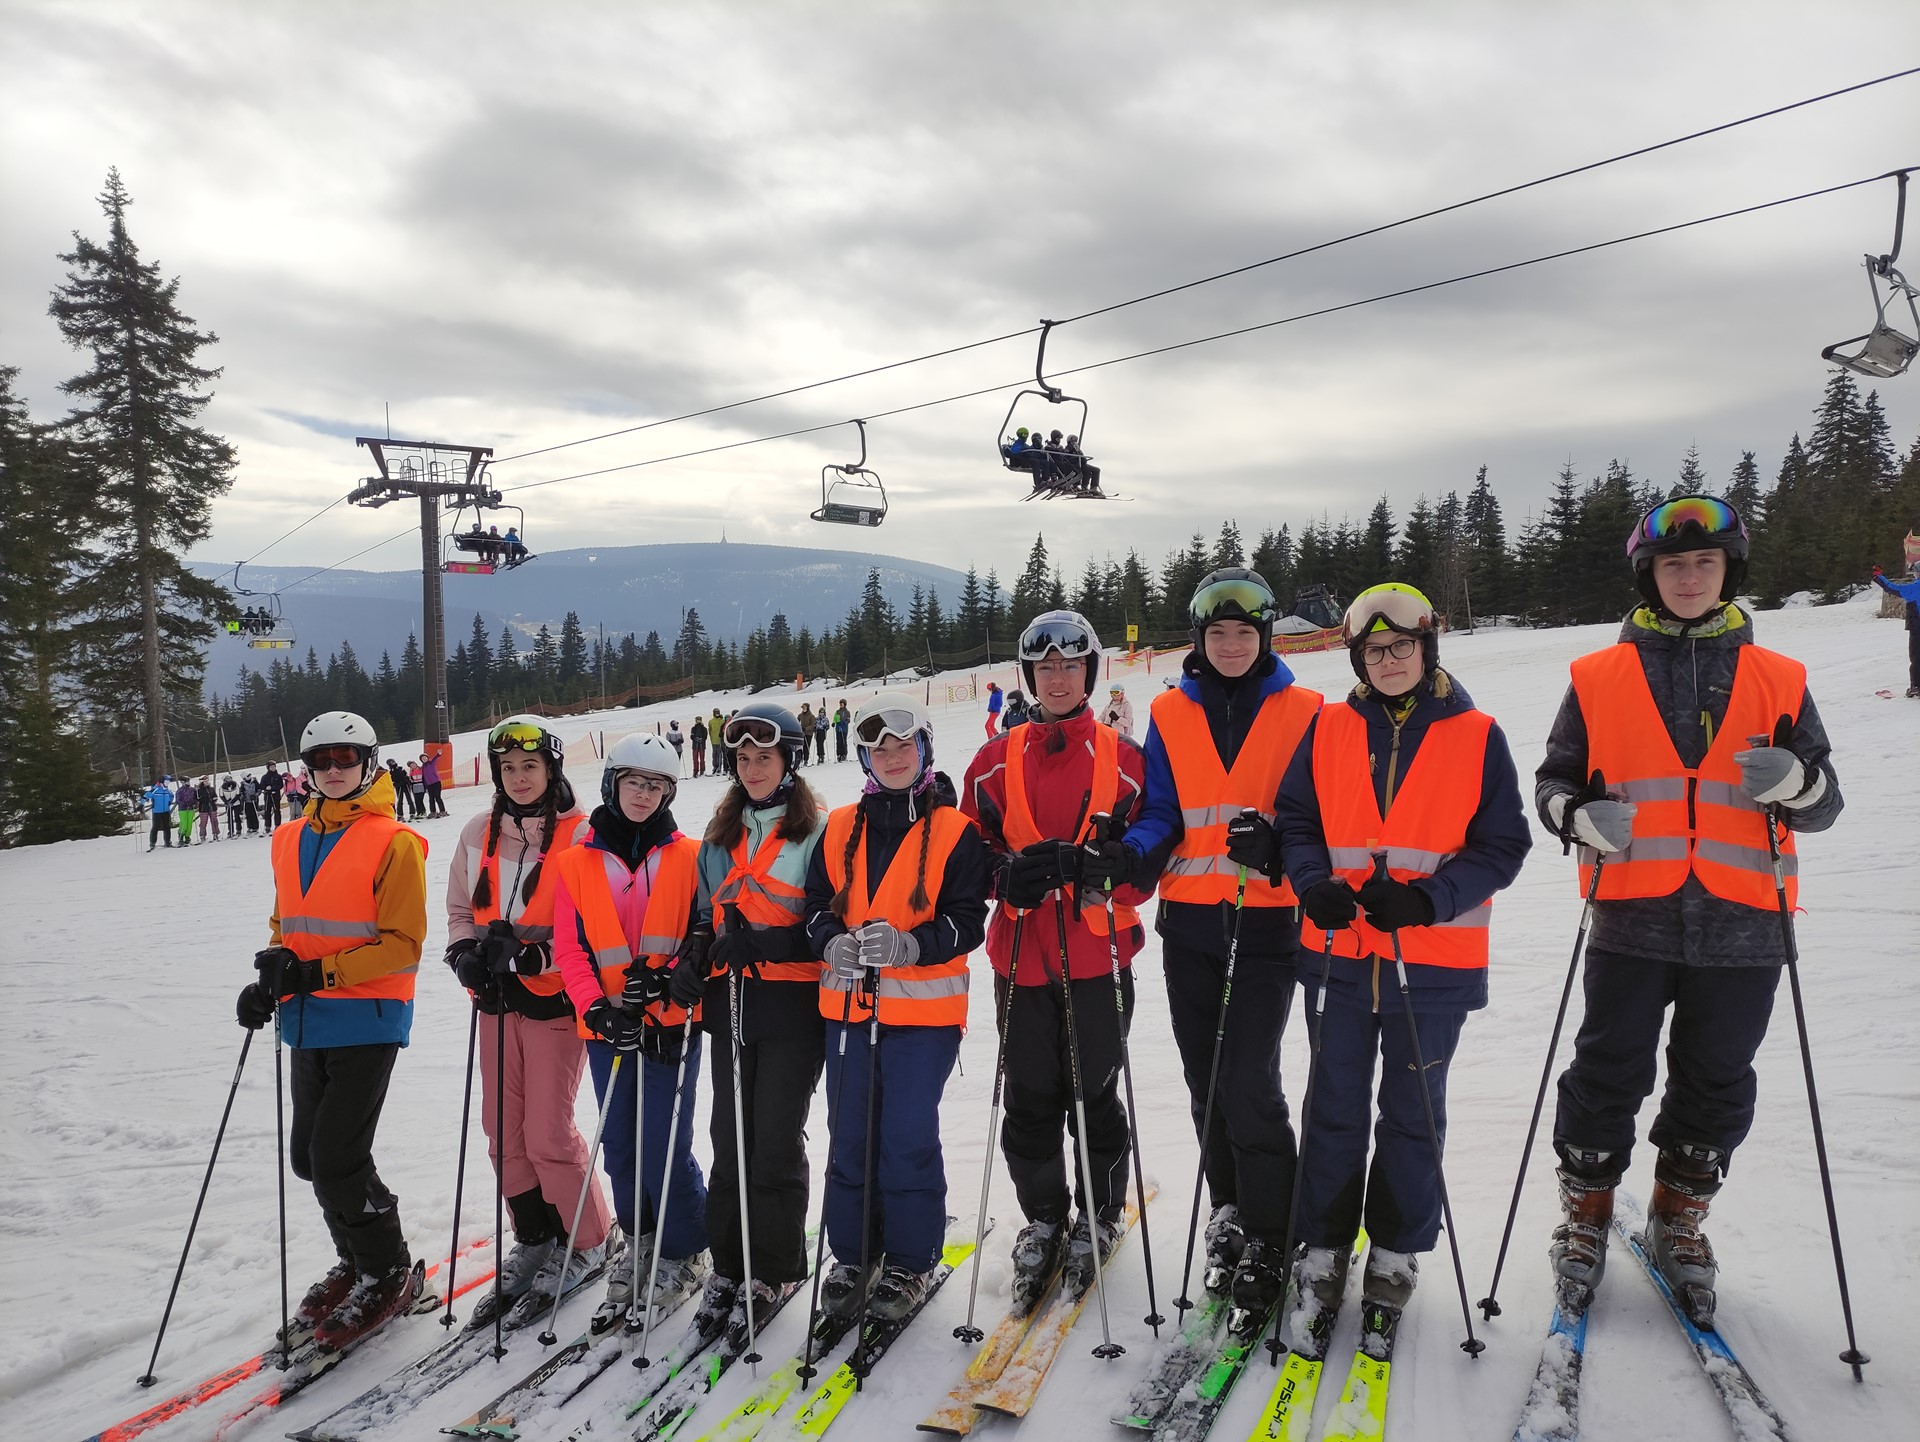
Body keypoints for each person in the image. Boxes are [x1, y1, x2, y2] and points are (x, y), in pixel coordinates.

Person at [1538, 495, 1843, 1325]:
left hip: (1747, 919)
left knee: (1716, 1079)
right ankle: (1587, 1214)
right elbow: (1555, 782)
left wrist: (1798, 785)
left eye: (1704, 563)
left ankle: (1679, 1218)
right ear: (1650, 572)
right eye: (1673, 565)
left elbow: (1824, 805)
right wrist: (1577, 818)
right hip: (1632, 913)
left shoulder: (1781, 678)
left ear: (1727, 572)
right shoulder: (1597, 677)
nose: (1688, 576)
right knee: (1608, 1070)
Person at [1268, 583, 1530, 1337]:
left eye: (1402, 648)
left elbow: (1503, 844)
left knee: (1414, 1114)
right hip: (1339, 957)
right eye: (1374, 650)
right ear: (1356, 655)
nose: (1388, 662)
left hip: (1433, 964)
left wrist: (1431, 899)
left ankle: (1395, 1248)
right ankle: (1323, 1246)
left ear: (1427, 648)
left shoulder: (1478, 734)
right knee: (1335, 1109)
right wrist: (1311, 882)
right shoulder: (1326, 729)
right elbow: (1296, 822)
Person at [1082, 567, 1321, 1316]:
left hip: (1267, 919)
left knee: (1250, 1077)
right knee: (1206, 1077)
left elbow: (1321, 812)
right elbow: (1161, 811)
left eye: (1243, 633)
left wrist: (1280, 843)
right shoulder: (1169, 711)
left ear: (1265, 636)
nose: (1229, 645)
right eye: (1216, 634)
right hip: (1189, 922)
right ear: (1197, 639)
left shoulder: (1307, 709)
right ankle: (1229, 1208)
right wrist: (1133, 852)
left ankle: (1271, 1230)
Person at [961, 611, 1157, 1309]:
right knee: (1030, 1095)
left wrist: (1103, 869)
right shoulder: (991, 760)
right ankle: (1044, 1215)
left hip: (1096, 953)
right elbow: (969, 851)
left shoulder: (1126, 759)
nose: (1057, 678)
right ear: (1029, 676)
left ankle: (1099, 1213)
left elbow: (1147, 865)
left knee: (1094, 1090)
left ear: (1090, 674)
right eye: (1045, 668)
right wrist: (998, 877)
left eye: (1071, 667)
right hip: (1021, 956)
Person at [233, 711, 428, 1350]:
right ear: (307, 769)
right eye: (322, 761)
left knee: (337, 1158)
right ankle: (356, 1259)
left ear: (370, 762)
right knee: (308, 1158)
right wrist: (270, 979)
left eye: (346, 759)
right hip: (308, 1019)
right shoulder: (287, 838)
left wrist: (315, 972)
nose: (334, 770)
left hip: (367, 1018)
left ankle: (387, 1267)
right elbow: (285, 924)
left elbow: (403, 945)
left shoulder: (394, 841)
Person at [804, 695, 990, 1320]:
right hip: (850, 1011)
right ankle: (854, 1251)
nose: (891, 757)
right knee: (850, 1134)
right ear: (864, 756)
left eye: (903, 746)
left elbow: (970, 921)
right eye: (879, 748)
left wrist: (914, 945)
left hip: (923, 1018)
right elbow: (815, 908)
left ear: (924, 751)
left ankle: (909, 1260)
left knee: (906, 1136)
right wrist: (830, 941)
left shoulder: (956, 831)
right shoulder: (838, 827)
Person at [446, 717, 609, 1325]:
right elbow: (461, 909)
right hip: (495, 1002)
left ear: (552, 770)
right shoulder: (477, 832)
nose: (519, 779)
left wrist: (536, 955)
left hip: (555, 1003)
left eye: (530, 767)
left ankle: (589, 1239)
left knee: (546, 1131)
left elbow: (595, 926)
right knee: (502, 1132)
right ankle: (536, 1233)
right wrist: (464, 953)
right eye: (508, 769)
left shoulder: (582, 834)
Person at [553, 732, 712, 1333]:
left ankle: (681, 1248)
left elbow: (703, 938)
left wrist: (670, 978)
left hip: (672, 1025)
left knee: (663, 1142)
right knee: (619, 1143)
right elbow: (570, 949)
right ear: (612, 784)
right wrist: (595, 1010)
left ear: (669, 792)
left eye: (656, 786)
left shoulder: (691, 856)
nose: (643, 795)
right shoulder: (575, 861)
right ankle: (639, 1239)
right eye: (634, 782)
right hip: (608, 1030)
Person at [688, 703, 828, 1336]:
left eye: (763, 758)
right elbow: (703, 918)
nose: (751, 769)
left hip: (792, 1005)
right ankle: (728, 1261)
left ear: (788, 761)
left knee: (773, 1139)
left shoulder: (818, 833)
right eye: (742, 759)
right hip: (731, 1002)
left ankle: (771, 1266)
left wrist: (765, 946)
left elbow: (829, 925)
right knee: (728, 1137)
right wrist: (696, 958)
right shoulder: (719, 837)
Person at [1870, 562, 1920, 697]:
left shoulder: (1915, 587)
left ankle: (1916, 686)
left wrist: (1878, 576)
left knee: (1917, 656)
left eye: (1915, 572)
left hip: (1917, 627)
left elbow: (1892, 588)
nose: (1915, 575)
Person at [145, 776, 175, 850]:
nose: (168, 782)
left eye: (169, 781)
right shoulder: (156, 789)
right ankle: (152, 843)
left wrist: (169, 802)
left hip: (166, 811)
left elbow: (172, 795)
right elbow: (146, 796)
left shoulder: (167, 790)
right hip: (157, 812)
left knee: (167, 827)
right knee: (155, 827)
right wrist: (141, 804)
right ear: (162, 782)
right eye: (166, 781)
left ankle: (167, 842)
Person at [421, 752, 448, 818]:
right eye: (422, 758)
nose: (424, 759)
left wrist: (438, 754)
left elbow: (435, 759)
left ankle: (442, 811)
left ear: (427, 758)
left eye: (425, 757)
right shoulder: (423, 767)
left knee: (437, 797)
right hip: (429, 785)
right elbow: (424, 778)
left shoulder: (431, 763)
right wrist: (425, 787)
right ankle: (433, 812)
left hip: (436, 783)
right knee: (431, 799)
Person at [174, 777, 199, 848]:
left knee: (189, 823)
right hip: (183, 809)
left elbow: (195, 798)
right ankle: (181, 835)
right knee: (184, 823)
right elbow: (178, 800)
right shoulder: (180, 791)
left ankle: (187, 836)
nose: (188, 783)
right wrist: (185, 804)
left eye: (188, 781)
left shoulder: (192, 790)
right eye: (186, 781)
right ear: (182, 782)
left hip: (191, 808)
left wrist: (194, 803)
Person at [261, 762, 285, 830]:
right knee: (267, 810)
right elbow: (261, 785)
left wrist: (272, 787)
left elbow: (280, 785)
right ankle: (267, 826)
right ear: (268, 768)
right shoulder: (265, 777)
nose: (273, 768)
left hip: (276, 795)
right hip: (268, 796)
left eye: (274, 766)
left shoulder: (278, 776)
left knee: (277, 810)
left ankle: (278, 824)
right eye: (271, 767)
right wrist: (266, 788)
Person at [197, 777, 220, 843]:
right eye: (205, 781)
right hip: (203, 808)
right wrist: (205, 799)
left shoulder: (211, 789)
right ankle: (202, 835)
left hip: (212, 807)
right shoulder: (199, 790)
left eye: (207, 781)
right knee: (203, 822)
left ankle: (216, 833)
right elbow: (198, 799)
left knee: (214, 820)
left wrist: (214, 799)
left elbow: (215, 796)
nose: (206, 782)